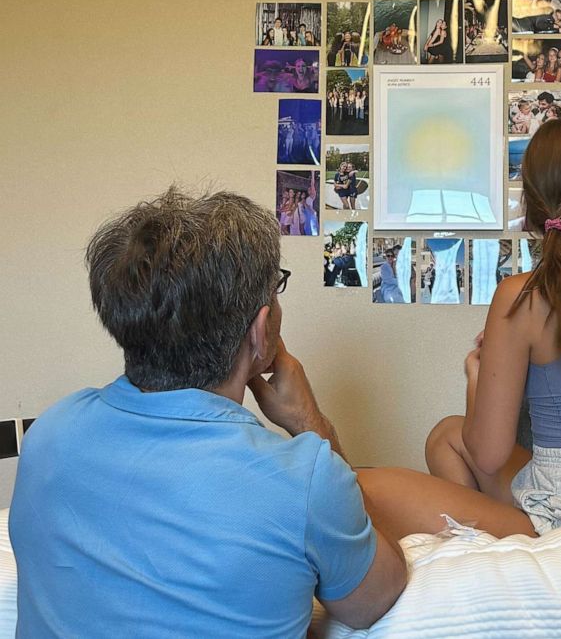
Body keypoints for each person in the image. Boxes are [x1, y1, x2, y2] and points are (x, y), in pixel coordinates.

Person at [9, 189, 407, 635]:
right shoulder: (306, 480)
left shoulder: (48, 434)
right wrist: (306, 421)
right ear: (260, 330)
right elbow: (375, 600)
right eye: (275, 291)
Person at [357, 118, 561, 540]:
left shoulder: (522, 294)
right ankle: (486, 549)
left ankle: (495, 553)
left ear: (531, 199)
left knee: (364, 486)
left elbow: (488, 455)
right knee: (447, 435)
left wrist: (476, 376)